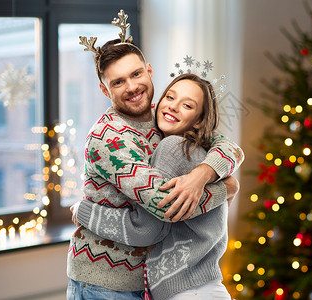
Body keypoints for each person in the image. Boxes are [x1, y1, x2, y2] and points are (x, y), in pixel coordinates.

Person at [67, 10, 244, 300]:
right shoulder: (109, 139)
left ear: (149, 71)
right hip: (104, 284)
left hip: (148, 281)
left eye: (136, 74)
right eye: (118, 82)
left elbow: (228, 146)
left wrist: (203, 174)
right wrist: (224, 188)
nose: (133, 87)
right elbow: (164, 209)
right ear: (104, 89)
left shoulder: (162, 116)